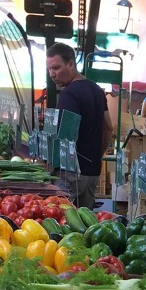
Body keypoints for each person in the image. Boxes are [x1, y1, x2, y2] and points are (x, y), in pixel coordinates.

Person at [46, 41, 112, 209]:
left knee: (60, 220)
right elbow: (109, 127)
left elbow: (66, 136)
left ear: (71, 64)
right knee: (85, 226)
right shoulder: (97, 90)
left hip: (70, 175)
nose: (52, 74)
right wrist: (97, 155)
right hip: (92, 173)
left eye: (56, 68)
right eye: (49, 69)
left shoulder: (69, 94)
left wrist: (50, 167)